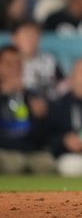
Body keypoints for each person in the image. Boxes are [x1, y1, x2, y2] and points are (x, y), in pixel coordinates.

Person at [0, 45, 56, 174]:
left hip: (28, 151)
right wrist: (4, 94)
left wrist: (40, 118)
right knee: (13, 164)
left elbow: (43, 137)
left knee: (46, 164)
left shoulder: (31, 96)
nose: (14, 69)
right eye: (9, 64)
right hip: (4, 150)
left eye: (18, 64)